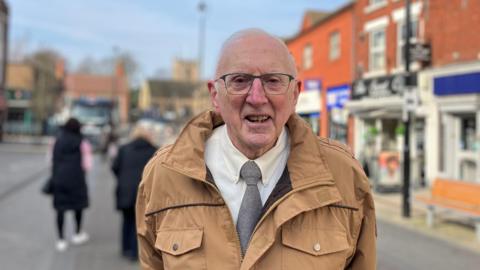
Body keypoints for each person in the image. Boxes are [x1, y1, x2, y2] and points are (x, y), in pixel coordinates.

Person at [136, 29, 376, 269]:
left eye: (273, 81)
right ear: (215, 95)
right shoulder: (164, 175)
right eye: (240, 80)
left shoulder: (343, 175)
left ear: (295, 95)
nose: (257, 97)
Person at [112, 125, 157, 261]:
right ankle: (133, 252)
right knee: (140, 222)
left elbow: (114, 167)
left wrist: (122, 179)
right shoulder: (154, 151)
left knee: (127, 219)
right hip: (144, 191)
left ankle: (125, 248)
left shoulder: (123, 149)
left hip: (125, 190)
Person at [50, 117, 92, 252]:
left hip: (59, 179)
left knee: (60, 209)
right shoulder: (82, 142)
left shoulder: (57, 141)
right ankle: (77, 234)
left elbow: (50, 160)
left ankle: (61, 240)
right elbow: (87, 165)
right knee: (78, 207)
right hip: (77, 179)